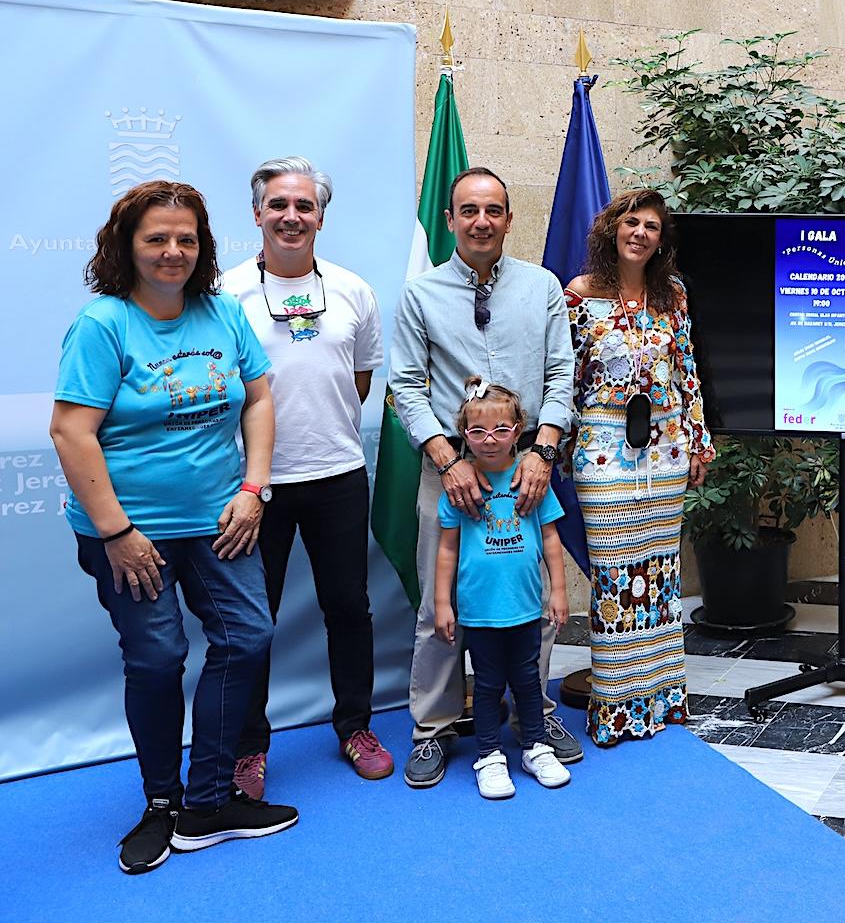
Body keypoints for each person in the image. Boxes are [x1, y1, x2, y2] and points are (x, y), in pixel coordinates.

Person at [49, 180, 296, 875]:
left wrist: (254, 488)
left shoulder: (221, 313)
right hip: (131, 532)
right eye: (156, 238)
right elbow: (72, 431)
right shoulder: (103, 324)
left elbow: (258, 401)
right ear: (127, 246)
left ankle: (209, 802)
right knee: (156, 658)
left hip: (220, 517)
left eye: (186, 239)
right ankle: (163, 803)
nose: (173, 251)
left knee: (247, 636)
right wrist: (116, 533)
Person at [389, 167, 581, 787]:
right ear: (450, 220)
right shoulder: (421, 295)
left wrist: (543, 451)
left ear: (507, 218)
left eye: (493, 210)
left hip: (526, 465)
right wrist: (448, 461)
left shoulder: (543, 286)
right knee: (441, 601)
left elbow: (561, 375)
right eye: (468, 211)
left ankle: (534, 718)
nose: (481, 221)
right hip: (450, 468)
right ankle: (434, 729)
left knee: (527, 598)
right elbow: (404, 386)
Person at [223, 158, 392, 798]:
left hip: (338, 475)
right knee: (250, 620)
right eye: (279, 205)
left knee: (349, 607)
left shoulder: (353, 291)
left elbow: (359, 381)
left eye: (304, 206)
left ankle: (355, 727)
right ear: (258, 213)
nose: (291, 217)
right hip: (252, 488)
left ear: (321, 216)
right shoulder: (222, 293)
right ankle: (248, 749)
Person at [563, 188, 713, 746]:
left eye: (652, 225)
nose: (640, 233)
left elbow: (687, 372)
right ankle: (618, 709)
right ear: (612, 230)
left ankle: (662, 700)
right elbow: (567, 378)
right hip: (603, 449)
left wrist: (698, 441)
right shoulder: (579, 296)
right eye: (631, 222)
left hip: (667, 447)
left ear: (660, 239)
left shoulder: (671, 295)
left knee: (660, 573)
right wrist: (559, 447)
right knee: (614, 574)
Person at [434, 378, 572, 798]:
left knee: (530, 681)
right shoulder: (458, 489)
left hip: (526, 608)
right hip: (479, 611)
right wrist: (443, 603)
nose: (489, 440)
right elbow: (446, 550)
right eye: (477, 432)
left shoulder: (532, 482)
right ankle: (489, 756)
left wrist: (559, 591)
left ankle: (534, 746)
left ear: (518, 430)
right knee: (488, 685)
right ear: (463, 436)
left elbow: (550, 538)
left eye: (500, 430)